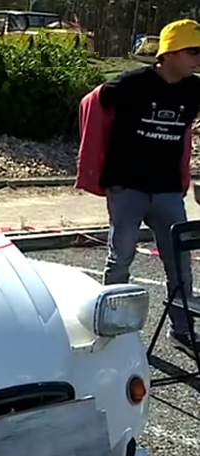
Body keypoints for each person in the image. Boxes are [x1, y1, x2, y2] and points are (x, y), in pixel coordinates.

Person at [77, 19, 200, 358]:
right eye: (193, 51)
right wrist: (95, 166)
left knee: (180, 264)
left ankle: (182, 330)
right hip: (127, 188)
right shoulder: (131, 84)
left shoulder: (194, 90)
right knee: (120, 259)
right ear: (169, 53)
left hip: (168, 190)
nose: (198, 59)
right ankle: (111, 331)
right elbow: (92, 104)